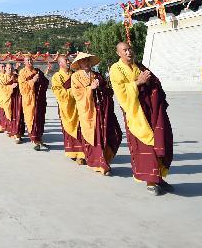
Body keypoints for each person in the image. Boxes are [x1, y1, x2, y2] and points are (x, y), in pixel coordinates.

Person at [109, 42, 174, 195]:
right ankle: (150, 181)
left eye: (130, 49)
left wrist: (149, 82)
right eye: (124, 50)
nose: (128, 52)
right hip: (135, 112)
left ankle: (159, 178)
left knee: (158, 141)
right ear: (119, 53)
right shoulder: (115, 69)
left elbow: (155, 82)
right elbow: (121, 92)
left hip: (149, 110)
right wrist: (138, 82)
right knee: (144, 146)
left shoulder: (140, 66)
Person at [69, 52, 121, 176]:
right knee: (95, 136)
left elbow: (108, 91)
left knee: (109, 135)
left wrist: (101, 88)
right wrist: (90, 89)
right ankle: (98, 164)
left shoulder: (97, 75)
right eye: (83, 61)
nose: (86, 63)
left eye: (88, 61)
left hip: (101, 110)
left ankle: (105, 160)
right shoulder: (75, 77)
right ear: (79, 64)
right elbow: (77, 94)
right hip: (88, 111)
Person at [50, 55, 85, 164]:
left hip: (78, 106)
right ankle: (72, 152)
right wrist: (73, 91)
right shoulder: (56, 77)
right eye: (66, 60)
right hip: (66, 108)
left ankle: (81, 154)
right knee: (69, 129)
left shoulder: (75, 74)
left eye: (68, 60)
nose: (69, 62)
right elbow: (59, 93)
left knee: (80, 130)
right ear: (60, 63)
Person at [17, 55, 49, 151]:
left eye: (31, 60)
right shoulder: (22, 72)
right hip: (29, 99)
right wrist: (32, 81)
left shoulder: (37, 71)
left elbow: (45, 82)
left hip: (38, 100)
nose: (30, 62)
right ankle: (35, 140)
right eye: (28, 60)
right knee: (31, 119)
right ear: (24, 63)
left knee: (39, 119)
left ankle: (39, 138)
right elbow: (22, 87)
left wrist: (40, 79)